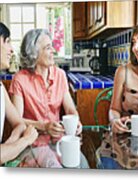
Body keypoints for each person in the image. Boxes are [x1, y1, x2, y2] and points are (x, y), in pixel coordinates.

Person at [9, 29, 88, 168]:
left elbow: (70, 108)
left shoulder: (60, 75)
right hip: (32, 142)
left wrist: (76, 120)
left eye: (52, 46)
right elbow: (17, 120)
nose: (54, 50)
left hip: (59, 141)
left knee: (83, 165)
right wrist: (44, 126)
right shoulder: (19, 79)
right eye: (47, 47)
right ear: (33, 53)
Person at [0, 22, 38, 165]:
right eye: (7, 42)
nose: (11, 50)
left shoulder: (0, 88)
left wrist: (10, 144)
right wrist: (25, 140)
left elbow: (19, 123)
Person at [109, 23, 138, 134]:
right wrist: (114, 121)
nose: (135, 48)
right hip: (125, 137)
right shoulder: (122, 72)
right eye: (133, 43)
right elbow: (114, 109)